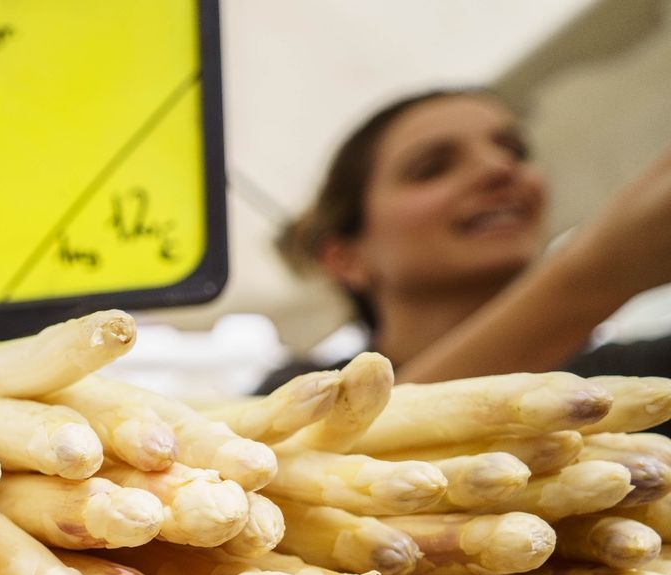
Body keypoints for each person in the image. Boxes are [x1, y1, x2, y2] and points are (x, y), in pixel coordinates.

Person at [264, 89, 671, 391]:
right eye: (432, 168)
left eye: (514, 150)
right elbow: (331, 459)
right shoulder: (298, 395)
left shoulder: (649, 376)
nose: (499, 168)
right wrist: (591, 278)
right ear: (345, 259)